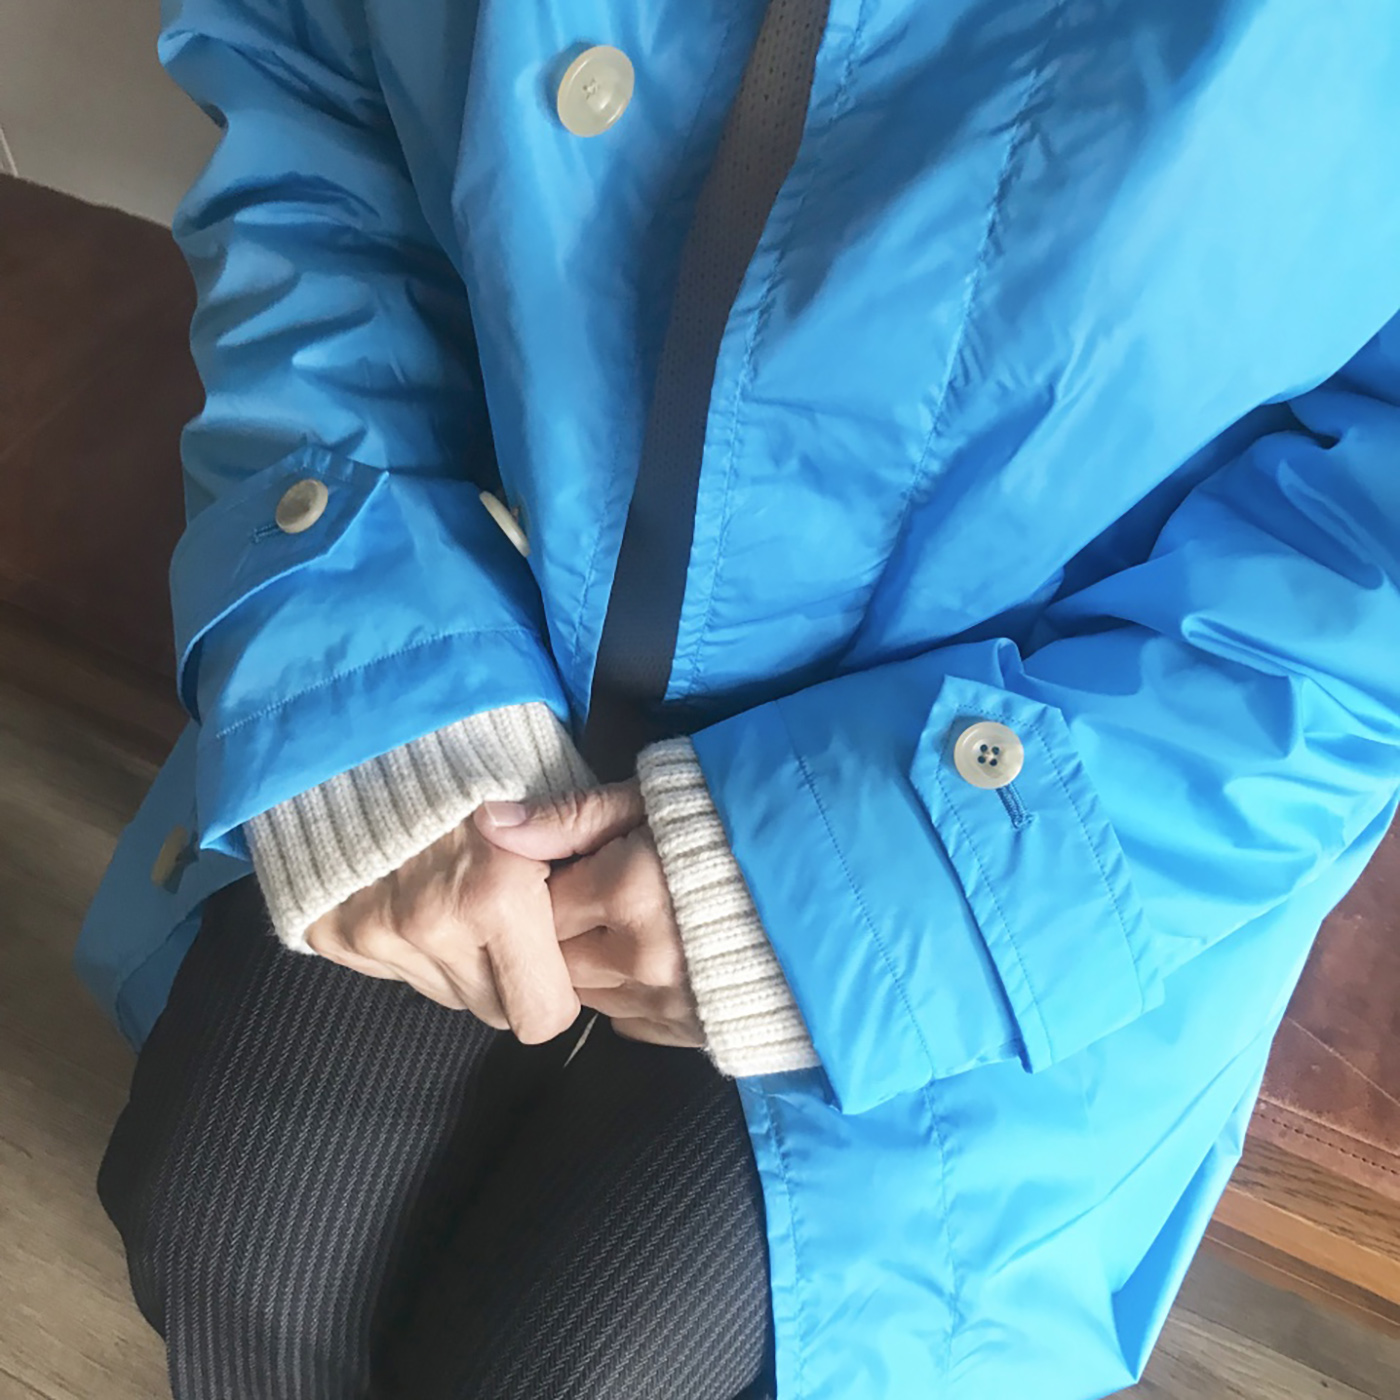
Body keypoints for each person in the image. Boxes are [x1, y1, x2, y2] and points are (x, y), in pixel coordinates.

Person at [80, 0, 1400, 1396]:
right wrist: (373, 641)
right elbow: (304, 93)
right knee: (230, 1226)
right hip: (492, 628)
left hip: (1063, 801)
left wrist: (903, 880)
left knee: (573, 1367)